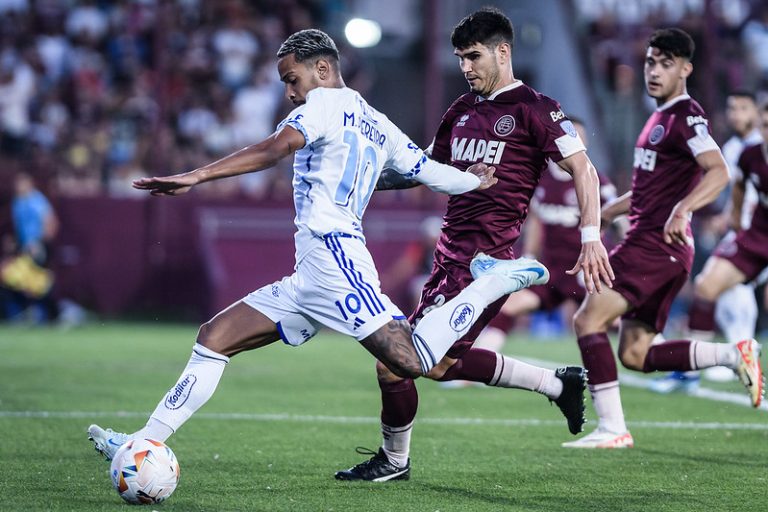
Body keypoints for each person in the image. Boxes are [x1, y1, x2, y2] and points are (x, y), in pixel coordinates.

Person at [86, 29, 558, 463]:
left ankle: (491, 285)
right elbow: (430, 173)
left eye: (293, 79)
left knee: (412, 360)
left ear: (324, 70)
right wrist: (470, 182)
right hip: (310, 274)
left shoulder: (322, 105)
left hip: (335, 258)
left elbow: (276, 147)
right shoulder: (379, 123)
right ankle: (144, 443)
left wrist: (198, 175)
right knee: (214, 338)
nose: (290, 92)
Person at [335, 8, 613, 481]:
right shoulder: (461, 110)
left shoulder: (536, 109)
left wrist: (591, 239)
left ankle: (394, 461)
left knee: (396, 363)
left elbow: (583, 169)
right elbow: (426, 169)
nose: (465, 67)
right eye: (460, 58)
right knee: (442, 365)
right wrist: (362, 182)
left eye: (473, 56)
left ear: (503, 52)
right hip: (448, 258)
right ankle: (557, 384)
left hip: (483, 265)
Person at [563, 28, 762, 450]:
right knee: (635, 353)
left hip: (654, 246)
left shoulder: (685, 116)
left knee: (587, 320)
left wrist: (684, 208)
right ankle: (733, 354)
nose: (654, 71)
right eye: (651, 62)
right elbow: (648, 192)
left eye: (666, 64)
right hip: (658, 246)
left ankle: (612, 428)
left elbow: (719, 170)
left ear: (686, 69)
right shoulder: (658, 118)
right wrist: (600, 214)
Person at [472, 118, 618, 355]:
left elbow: (616, 213)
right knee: (509, 305)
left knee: (617, 318)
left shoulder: (594, 178)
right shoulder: (540, 179)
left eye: (579, 138)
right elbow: (536, 222)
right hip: (552, 269)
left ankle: (668, 359)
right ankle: (475, 364)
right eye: (570, 137)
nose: (575, 143)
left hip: (586, 269)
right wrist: (529, 256)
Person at [651, 90, 763, 392]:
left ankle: (736, 356)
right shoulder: (741, 150)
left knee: (739, 293)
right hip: (753, 236)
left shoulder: (749, 148)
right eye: (732, 108)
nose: (736, 115)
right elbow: (738, 187)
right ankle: (702, 367)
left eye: (743, 108)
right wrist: (732, 219)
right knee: (710, 286)